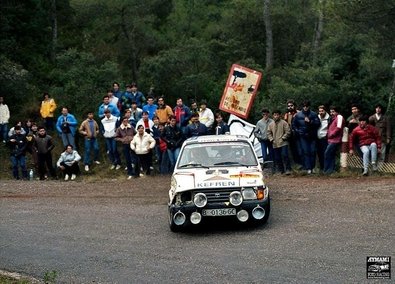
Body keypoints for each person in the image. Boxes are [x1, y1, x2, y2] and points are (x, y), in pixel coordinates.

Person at [292, 101, 320, 174]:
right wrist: (298, 131)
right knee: (306, 152)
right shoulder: (298, 115)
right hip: (303, 136)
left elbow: (318, 123)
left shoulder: (314, 114)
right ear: (302, 107)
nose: (305, 107)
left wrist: (310, 121)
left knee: (313, 151)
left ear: (309, 106)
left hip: (312, 136)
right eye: (304, 106)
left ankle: (313, 167)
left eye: (307, 106)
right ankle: (308, 168)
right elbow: (294, 125)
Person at [267, 110, 292, 175]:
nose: (276, 116)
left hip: (283, 142)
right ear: (273, 116)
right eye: (275, 115)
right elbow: (268, 133)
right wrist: (271, 139)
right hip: (275, 143)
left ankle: (288, 169)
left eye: (277, 115)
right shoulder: (271, 124)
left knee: (285, 155)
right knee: (277, 158)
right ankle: (281, 170)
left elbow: (288, 131)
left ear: (280, 115)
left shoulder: (284, 123)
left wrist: (283, 138)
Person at [324, 106, 345, 174]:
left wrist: (331, 134)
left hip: (335, 139)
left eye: (333, 111)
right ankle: (330, 170)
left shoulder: (339, 117)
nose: (332, 113)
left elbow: (338, 127)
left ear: (337, 111)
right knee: (331, 154)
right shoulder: (333, 118)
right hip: (331, 140)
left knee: (327, 153)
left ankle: (327, 170)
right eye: (331, 112)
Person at [284, 99, 301, 167]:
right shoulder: (286, 114)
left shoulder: (299, 113)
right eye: (288, 106)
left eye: (291, 105)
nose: (290, 107)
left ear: (294, 106)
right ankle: (297, 165)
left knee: (300, 150)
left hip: (298, 134)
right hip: (290, 135)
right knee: (293, 151)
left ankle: (304, 165)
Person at [316, 105, 331, 172]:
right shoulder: (317, 117)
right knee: (320, 154)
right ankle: (322, 168)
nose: (321, 112)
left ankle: (326, 168)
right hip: (318, 138)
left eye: (322, 111)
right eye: (319, 111)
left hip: (325, 138)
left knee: (326, 153)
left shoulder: (329, 118)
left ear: (325, 111)